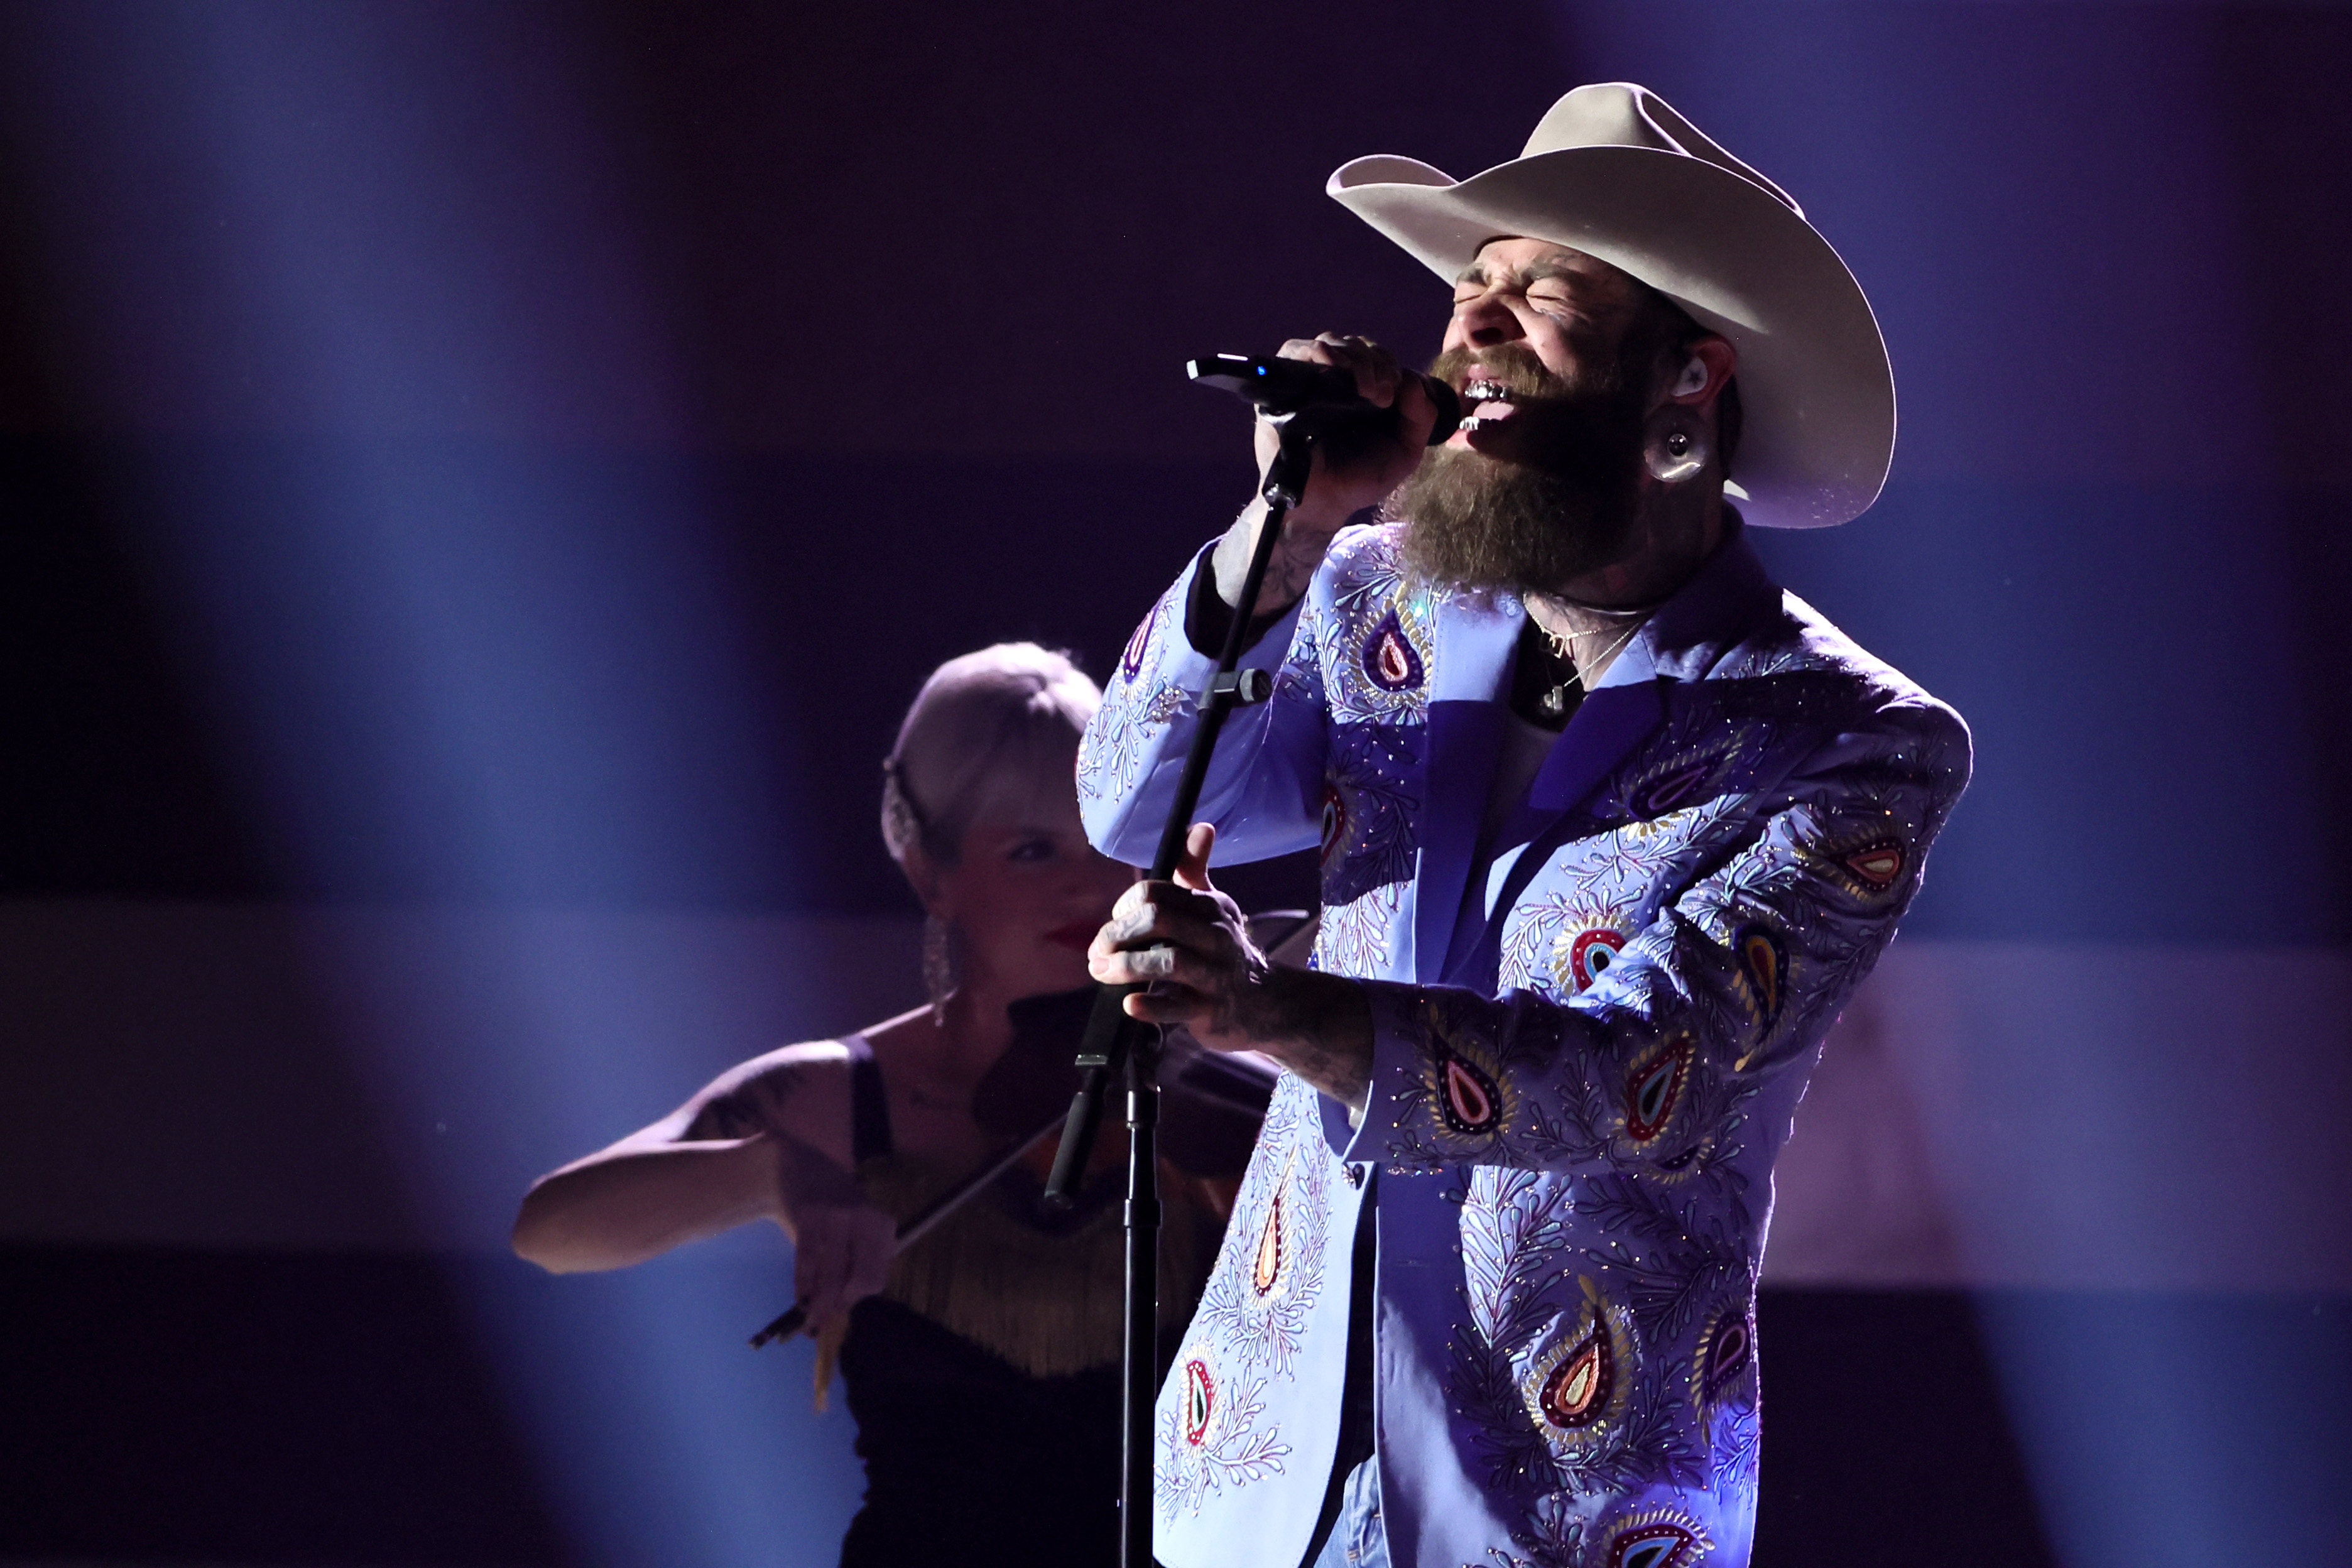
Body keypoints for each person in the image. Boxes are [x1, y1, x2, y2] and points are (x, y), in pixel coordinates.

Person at [1078, 84, 1971, 1568]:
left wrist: (1271, 1007)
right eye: (1468, 288)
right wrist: (1287, 531)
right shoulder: (1374, 594)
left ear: (1686, 382)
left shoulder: (1847, 741)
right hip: (1259, 1481)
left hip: (1561, 1515)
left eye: (1537, 296)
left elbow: (1643, 1085)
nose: (1469, 328)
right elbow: (1132, 793)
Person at [512, 642, 1265, 1567]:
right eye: (1030, 850)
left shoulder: (1215, 1076)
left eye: (1107, 844)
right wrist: (770, 1171)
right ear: (928, 870)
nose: (1085, 884)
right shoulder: (837, 1096)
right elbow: (549, 1229)